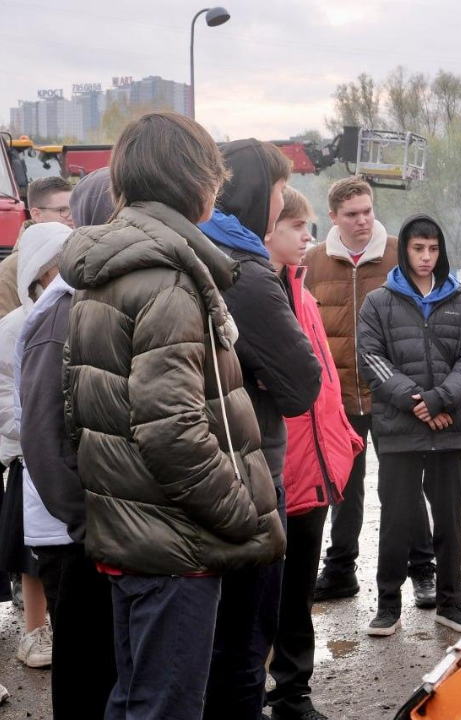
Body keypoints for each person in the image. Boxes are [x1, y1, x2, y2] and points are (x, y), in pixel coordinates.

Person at [60, 111, 285, 720]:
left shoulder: (111, 269)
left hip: (136, 529)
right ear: (196, 182)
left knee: (137, 699)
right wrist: (238, 510)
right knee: (166, 706)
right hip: (175, 541)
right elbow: (172, 429)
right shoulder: (166, 279)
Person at [198, 140, 321, 719]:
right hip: (244, 482)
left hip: (195, 482)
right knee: (243, 652)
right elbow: (301, 384)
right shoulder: (243, 271)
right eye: (277, 192)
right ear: (255, 195)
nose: (280, 206)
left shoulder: (198, 250)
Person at [304, 177, 436, 608]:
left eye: (367, 211)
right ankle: (341, 569)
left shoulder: (401, 253)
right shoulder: (312, 262)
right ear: (333, 218)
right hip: (338, 397)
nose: (362, 221)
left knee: (404, 487)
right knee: (344, 487)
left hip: (394, 394)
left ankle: (422, 570)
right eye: (351, 214)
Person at [358, 214, 461, 637]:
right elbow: (372, 359)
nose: (426, 257)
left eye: (433, 249)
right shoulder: (379, 302)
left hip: (450, 430)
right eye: (418, 248)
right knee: (396, 521)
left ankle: (451, 602)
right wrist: (419, 403)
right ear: (405, 250)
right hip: (399, 432)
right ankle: (388, 605)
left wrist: (439, 400)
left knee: (449, 520)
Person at [18, 172, 116, 716]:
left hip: (94, 529)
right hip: (74, 535)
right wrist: (88, 522)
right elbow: (41, 437)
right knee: (85, 671)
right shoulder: (59, 315)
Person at [265, 186, 363, 720]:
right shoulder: (260, 293)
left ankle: (292, 692)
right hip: (282, 470)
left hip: (313, 468)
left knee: (298, 593)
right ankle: (268, 690)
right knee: (268, 597)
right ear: (267, 230)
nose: (308, 237)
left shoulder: (300, 291)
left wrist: (342, 436)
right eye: (296, 227)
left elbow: (324, 381)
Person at [0, 223, 72, 672]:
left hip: (62, 457)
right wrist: (33, 428)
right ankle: (34, 629)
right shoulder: (15, 327)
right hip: (31, 458)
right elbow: (5, 393)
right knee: (33, 554)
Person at [0, 176, 74, 322]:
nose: (71, 217)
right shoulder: (9, 272)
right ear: (36, 215)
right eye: (62, 210)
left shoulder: (79, 254)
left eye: (74, 208)